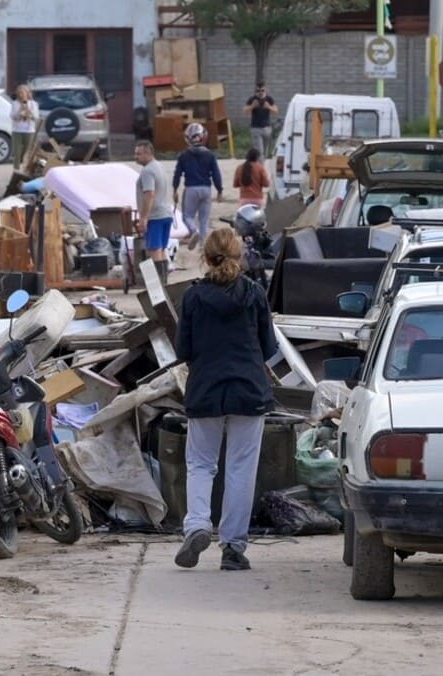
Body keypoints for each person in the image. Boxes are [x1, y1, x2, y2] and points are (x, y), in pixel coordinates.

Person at [173, 228, 278, 572]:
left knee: (201, 464)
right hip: (249, 390)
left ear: (206, 257)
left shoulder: (193, 297)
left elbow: (183, 350)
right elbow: (269, 348)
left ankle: (198, 526)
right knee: (240, 468)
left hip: (205, 390)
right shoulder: (254, 293)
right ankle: (233, 547)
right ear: (239, 256)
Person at [173, 123, 223, 251]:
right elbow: (216, 174)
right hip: (206, 188)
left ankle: (193, 231)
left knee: (187, 216)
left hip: (191, 189)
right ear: (203, 137)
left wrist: (175, 189)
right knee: (204, 220)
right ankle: (203, 246)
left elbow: (177, 174)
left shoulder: (183, 155)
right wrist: (219, 189)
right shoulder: (210, 155)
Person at [134, 140, 174, 282]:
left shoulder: (147, 171)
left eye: (138, 154)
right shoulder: (159, 166)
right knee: (162, 249)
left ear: (147, 153)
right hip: (166, 213)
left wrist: (144, 217)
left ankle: (158, 284)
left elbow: (149, 193)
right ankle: (164, 281)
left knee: (154, 249)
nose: (135, 157)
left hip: (155, 216)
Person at [244, 83, 278, 158]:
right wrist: (252, 106)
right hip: (256, 129)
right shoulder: (252, 99)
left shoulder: (269, 99)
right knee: (259, 151)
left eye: (262, 90)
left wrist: (268, 107)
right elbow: (245, 111)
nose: (260, 92)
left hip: (267, 128)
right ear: (255, 91)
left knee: (265, 152)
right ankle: (260, 168)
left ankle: (261, 167)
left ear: (266, 90)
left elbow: (276, 111)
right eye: (258, 90)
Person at [10, 84, 40, 170]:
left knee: (28, 150)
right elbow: (12, 116)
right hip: (17, 130)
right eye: (19, 93)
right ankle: (16, 169)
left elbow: (36, 117)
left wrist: (29, 112)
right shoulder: (15, 103)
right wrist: (20, 109)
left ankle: (26, 168)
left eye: (23, 93)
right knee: (17, 151)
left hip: (29, 130)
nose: (21, 95)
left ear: (27, 93)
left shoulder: (33, 104)